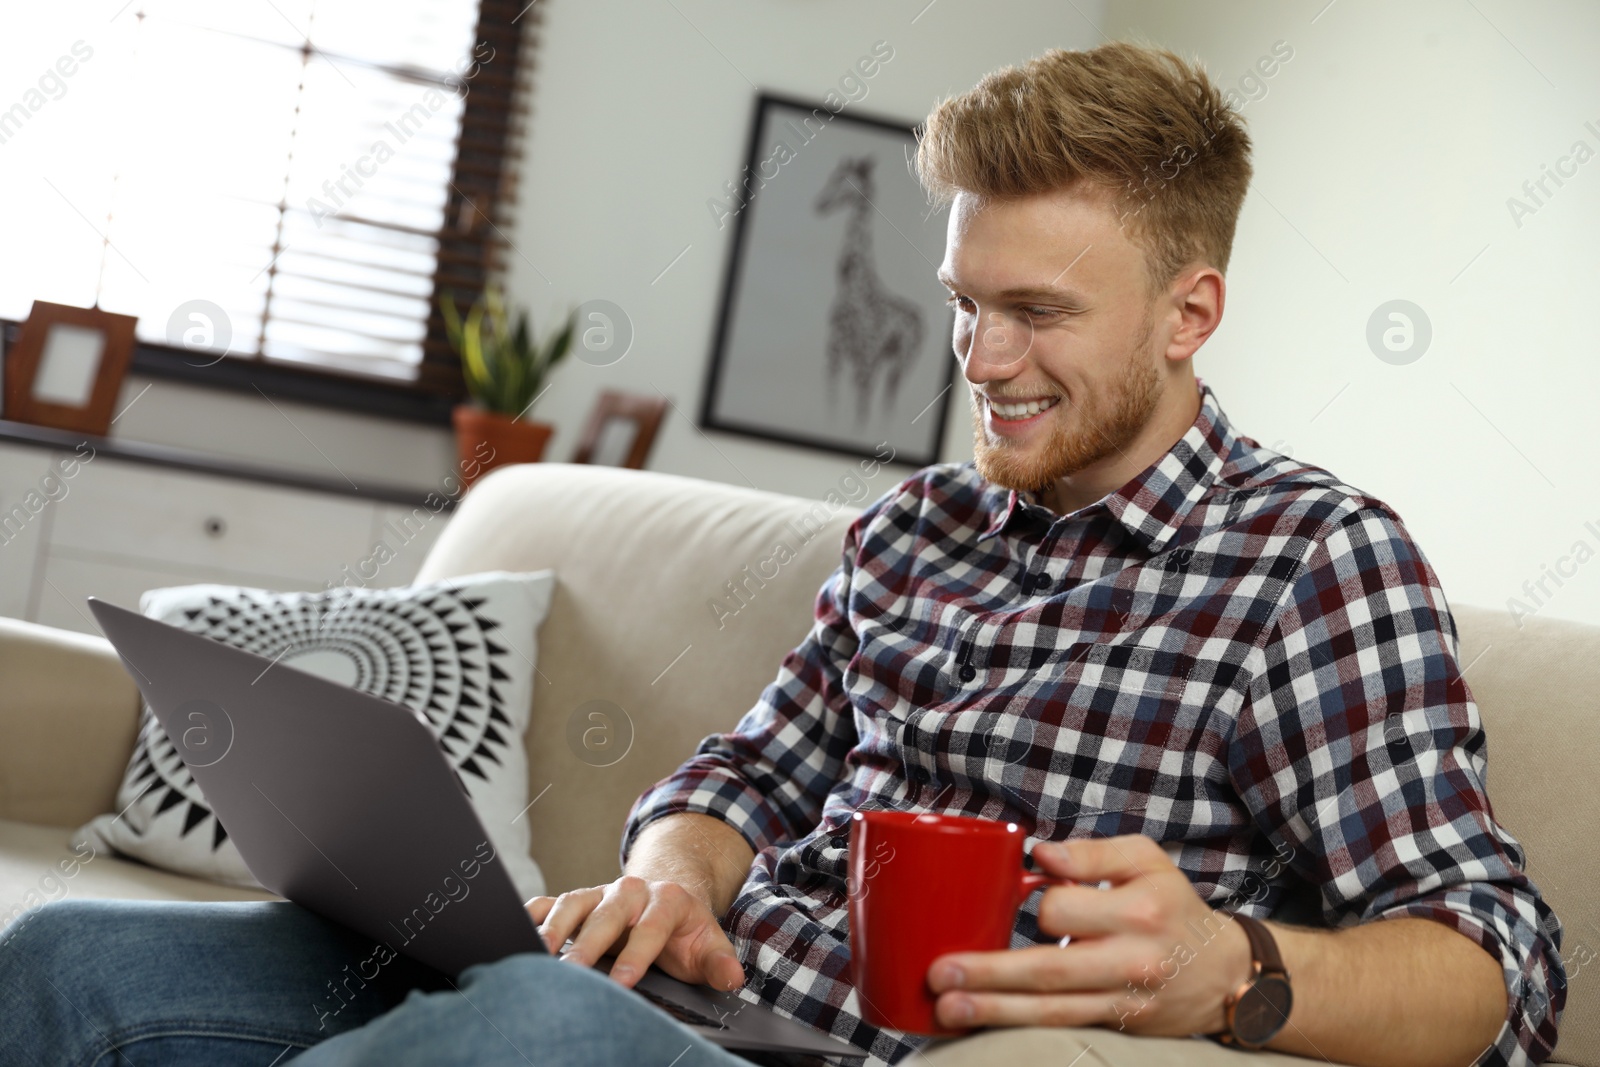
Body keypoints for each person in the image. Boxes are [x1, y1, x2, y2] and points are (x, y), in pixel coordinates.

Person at [0, 39, 1564, 1067]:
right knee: (66, 960)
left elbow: (1501, 968)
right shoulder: (916, 531)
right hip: (678, 992)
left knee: (525, 1033)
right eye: (963, 299)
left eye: (1036, 314)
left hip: (802, 1059)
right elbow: (743, 777)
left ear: (1190, 314)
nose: (979, 356)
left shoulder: (1309, 562)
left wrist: (1235, 971)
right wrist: (672, 879)